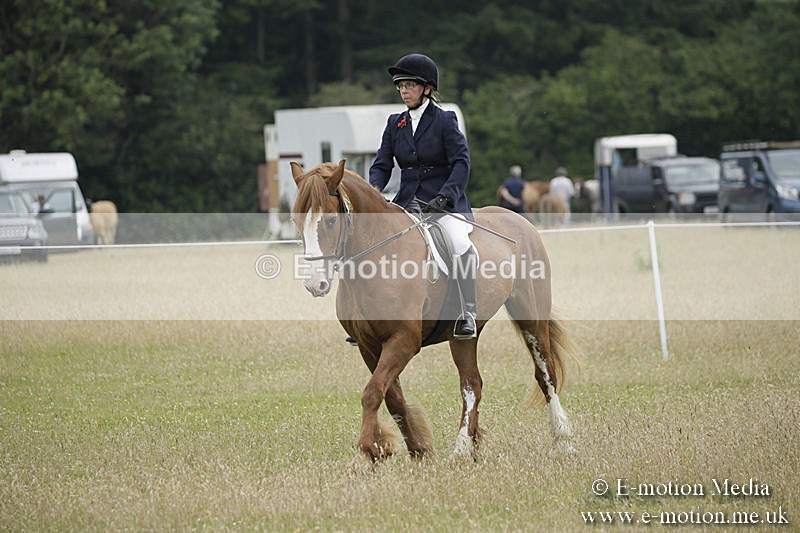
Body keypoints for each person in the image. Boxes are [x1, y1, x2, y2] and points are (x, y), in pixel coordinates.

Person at [369, 53, 477, 339]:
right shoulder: (396, 123)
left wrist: (446, 197)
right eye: (400, 86)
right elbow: (382, 164)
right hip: (406, 202)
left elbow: (461, 163)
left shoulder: (444, 120)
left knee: (459, 243)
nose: (403, 91)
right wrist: (374, 193)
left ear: (426, 88)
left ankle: (467, 313)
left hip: (442, 203)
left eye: (409, 85)